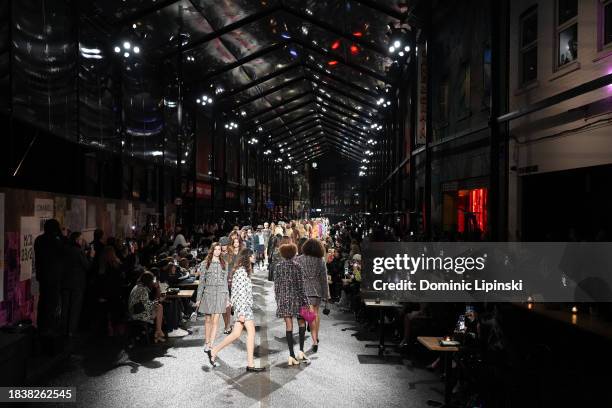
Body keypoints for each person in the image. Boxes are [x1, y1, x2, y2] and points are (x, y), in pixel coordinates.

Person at [208, 249, 265, 372]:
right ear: (248, 257)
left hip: (244, 308)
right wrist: (241, 313)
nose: (255, 257)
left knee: (236, 334)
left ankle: (214, 350)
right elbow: (239, 293)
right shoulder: (241, 272)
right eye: (253, 255)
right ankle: (250, 364)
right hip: (243, 308)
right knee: (251, 332)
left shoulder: (243, 271)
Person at [274, 243, 311, 365]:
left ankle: (291, 356)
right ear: (293, 253)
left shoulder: (278, 267)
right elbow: (301, 287)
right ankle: (301, 351)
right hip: (297, 299)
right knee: (302, 323)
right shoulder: (297, 266)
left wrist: (278, 299)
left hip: (284, 300)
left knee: (288, 326)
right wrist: (306, 302)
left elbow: (276, 286)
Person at [34, 219, 67, 341]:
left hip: (42, 275)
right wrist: (61, 234)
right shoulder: (55, 241)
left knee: (43, 300)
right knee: (52, 303)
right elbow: (64, 249)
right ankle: (49, 329)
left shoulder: (39, 240)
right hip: (54, 276)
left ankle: (41, 327)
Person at [295, 239, 330, 353]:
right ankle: (316, 337)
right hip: (317, 290)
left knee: (309, 316)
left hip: (304, 290)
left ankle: (314, 341)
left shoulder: (299, 259)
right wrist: (327, 296)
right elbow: (324, 280)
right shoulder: (321, 261)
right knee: (315, 314)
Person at [196, 243, 229, 353]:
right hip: (208, 293)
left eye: (219, 249)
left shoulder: (225, 264)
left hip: (220, 293)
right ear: (212, 250)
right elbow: (201, 282)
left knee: (215, 321)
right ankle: (206, 342)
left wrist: (227, 298)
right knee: (208, 320)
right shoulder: (205, 263)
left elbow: (225, 283)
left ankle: (211, 344)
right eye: (215, 249)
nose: (218, 251)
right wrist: (198, 299)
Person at [62, 231, 94, 338]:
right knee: (75, 308)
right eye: (81, 239)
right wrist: (91, 257)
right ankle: (71, 331)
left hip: (65, 282)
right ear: (77, 240)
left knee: (65, 307)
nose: (83, 241)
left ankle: (64, 329)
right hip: (77, 284)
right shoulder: (78, 251)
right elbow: (87, 266)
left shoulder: (65, 249)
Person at [128, 271, 166, 343]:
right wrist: (158, 301)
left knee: (159, 307)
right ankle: (158, 332)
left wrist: (156, 301)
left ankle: (158, 333)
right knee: (159, 307)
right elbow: (146, 306)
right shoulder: (142, 289)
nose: (153, 282)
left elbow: (145, 303)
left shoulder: (139, 286)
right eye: (152, 280)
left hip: (135, 311)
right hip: (137, 314)